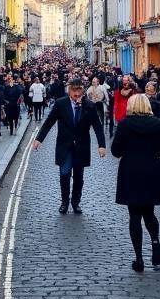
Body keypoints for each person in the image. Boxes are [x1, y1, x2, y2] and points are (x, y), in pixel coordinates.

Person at [110, 93, 160, 272]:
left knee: (134, 215)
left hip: (131, 171)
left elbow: (115, 150)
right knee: (149, 213)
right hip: (152, 170)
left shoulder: (125, 125)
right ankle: (155, 242)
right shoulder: (158, 124)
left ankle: (138, 259)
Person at [33, 77, 106, 215]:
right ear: (69, 91)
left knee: (79, 177)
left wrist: (102, 145)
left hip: (81, 146)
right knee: (64, 173)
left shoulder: (89, 105)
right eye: (74, 91)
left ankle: (75, 202)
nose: (77, 95)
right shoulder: (61, 104)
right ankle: (65, 201)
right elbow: (49, 122)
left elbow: (97, 126)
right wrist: (39, 139)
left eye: (79, 91)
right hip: (64, 146)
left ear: (83, 91)